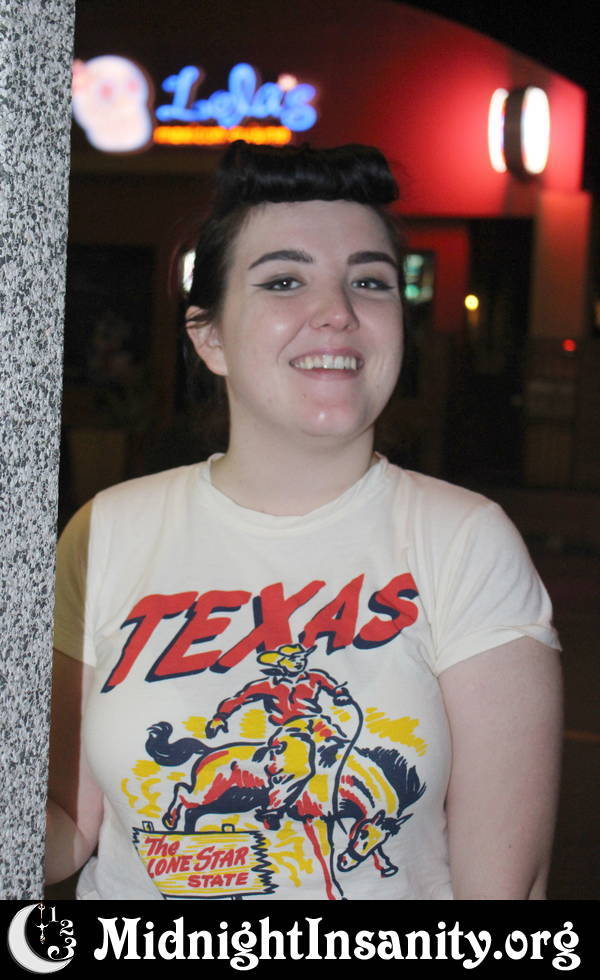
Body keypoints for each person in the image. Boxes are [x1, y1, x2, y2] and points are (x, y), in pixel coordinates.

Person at [47, 140, 562, 901]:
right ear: (209, 337)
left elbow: (504, 897)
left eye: (369, 282)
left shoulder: (463, 541)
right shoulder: (106, 532)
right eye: (285, 280)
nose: (337, 312)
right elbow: (65, 828)